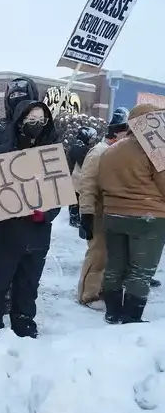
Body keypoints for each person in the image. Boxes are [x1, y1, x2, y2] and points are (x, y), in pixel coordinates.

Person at [0, 100, 61, 338]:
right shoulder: (5, 153)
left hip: (38, 234)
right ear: (20, 122)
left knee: (28, 283)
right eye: (31, 121)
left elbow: (59, 193)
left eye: (41, 121)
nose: (37, 125)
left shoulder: (52, 154)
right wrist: (6, 206)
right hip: (8, 232)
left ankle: (24, 320)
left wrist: (45, 213)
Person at [98, 103, 165, 325]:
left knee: (114, 266)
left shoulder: (111, 150)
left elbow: (101, 182)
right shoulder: (156, 149)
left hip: (113, 215)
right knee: (140, 272)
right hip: (148, 217)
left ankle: (112, 312)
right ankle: (131, 318)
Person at [0, 77, 40, 315]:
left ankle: (22, 312)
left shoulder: (44, 130)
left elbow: (58, 177)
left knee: (28, 274)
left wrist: (47, 211)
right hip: (6, 218)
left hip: (36, 221)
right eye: (15, 101)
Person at [76, 110, 130, 309]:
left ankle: (100, 290)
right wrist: (87, 214)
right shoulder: (99, 152)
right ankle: (88, 294)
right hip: (98, 212)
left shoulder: (117, 152)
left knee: (109, 255)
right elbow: (87, 184)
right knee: (97, 254)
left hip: (112, 211)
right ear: (117, 133)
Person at [67, 126, 99, 228]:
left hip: (76, 176)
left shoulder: (77, 147)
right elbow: (83, 160)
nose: (93, 141)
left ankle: (75, 217)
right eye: (92, 138)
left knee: (76, 199)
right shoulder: (79, 148)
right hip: (77, 177)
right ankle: (74, 219)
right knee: (76, 200)